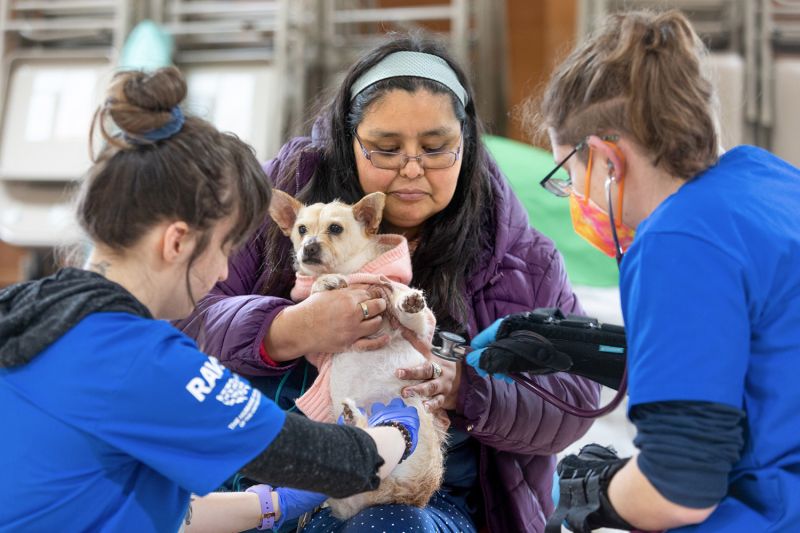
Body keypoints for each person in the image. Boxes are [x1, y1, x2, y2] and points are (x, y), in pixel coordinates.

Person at [179, 34, 600, 532]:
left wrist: (466, 387)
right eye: (385, 149)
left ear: (465, 143)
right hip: (254, 479)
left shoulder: (520, 257)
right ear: (348, 141)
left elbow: (574, 400)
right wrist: (289, 329)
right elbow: (181, 314)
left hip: (426, 499)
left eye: (437, 148)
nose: (412, 168)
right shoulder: (289, 195)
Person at [0, 67, 421, 533]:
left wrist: (269, 507)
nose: (224, 272)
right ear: (177, 242)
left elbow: (129, 503)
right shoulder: (146, 362)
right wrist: (400, 427)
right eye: (225, 248)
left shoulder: (23, 315)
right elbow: (331, 462)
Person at [480, 8, 800, 532]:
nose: (573, 197)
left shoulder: (676, 240)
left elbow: (677, 489)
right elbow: (746, 352)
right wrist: (584, 347)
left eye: (568, 175)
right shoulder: (769, 181)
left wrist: (598, 493)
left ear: (607, 159)